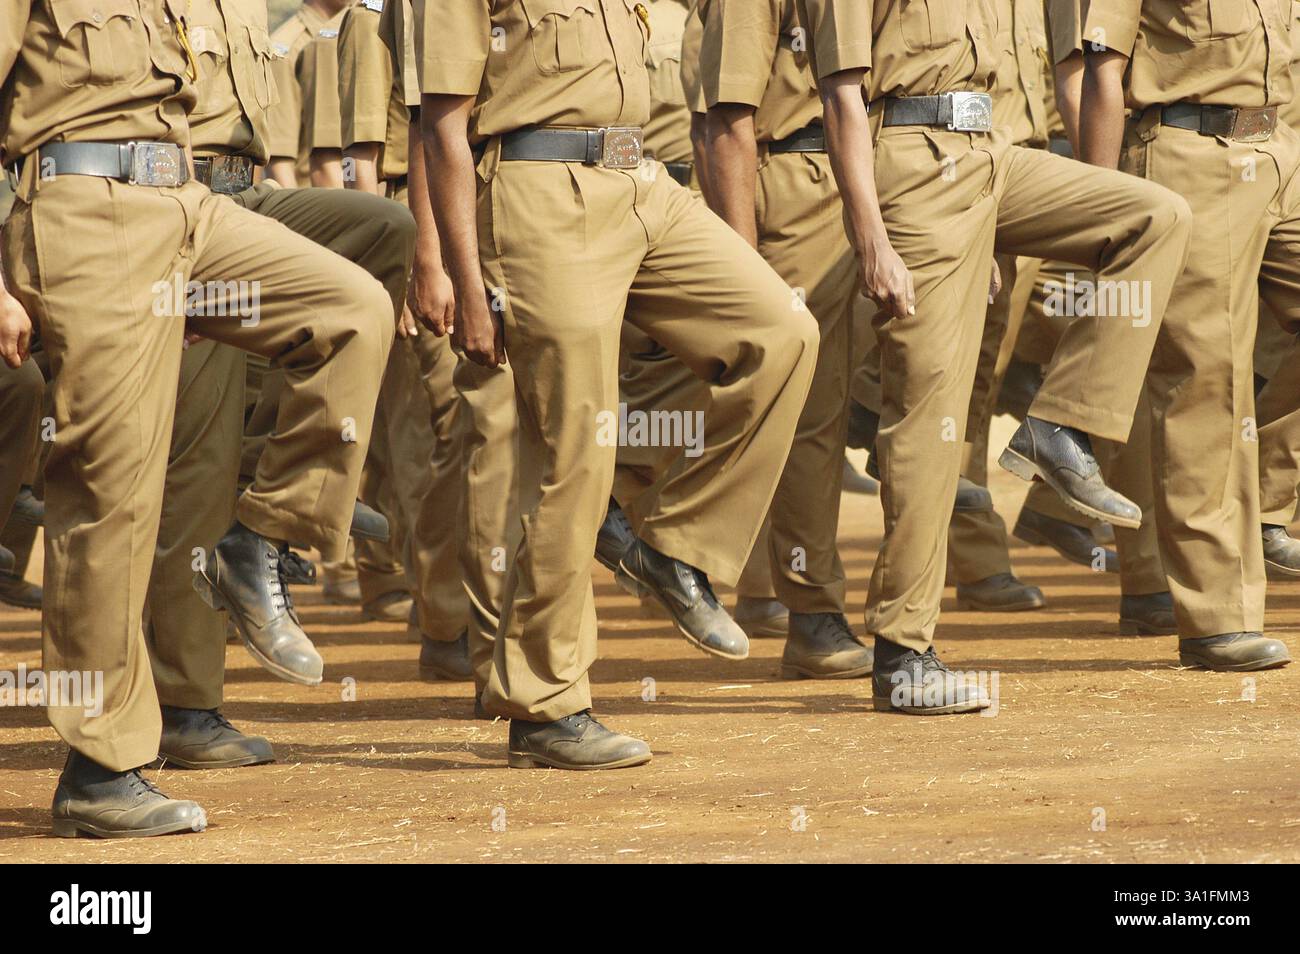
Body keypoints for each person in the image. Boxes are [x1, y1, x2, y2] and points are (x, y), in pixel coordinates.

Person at [1, 0, 393, 837]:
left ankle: (263, 537)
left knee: (351, 308)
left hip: (188, 213)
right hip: (85, 211)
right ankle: (101, 769)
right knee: (115, 488)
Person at [416, 0, 819, 768]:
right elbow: (442, 126)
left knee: (782, 331)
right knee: (574, 456)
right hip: (540, 191)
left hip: (644, 183)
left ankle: (674, 545)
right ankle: (544, 706)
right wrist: (465, 280)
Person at [795, 0, 1193, 713]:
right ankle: (903, 653)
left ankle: (1060, 426)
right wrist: (872, 241)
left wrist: (996, 229)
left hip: (995, 156)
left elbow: (1004, 87)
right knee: (929, 410)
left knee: (1156, 215)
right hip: (913, 167)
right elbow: (840, 95)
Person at [1077, 0, 1294, 671]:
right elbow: (1103, 72)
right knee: (1206, 379)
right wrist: (1104, 209)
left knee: (1225, 380)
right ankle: (1215, 616)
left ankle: (1267, 509)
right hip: (1189, 156)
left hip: (1280, 151)